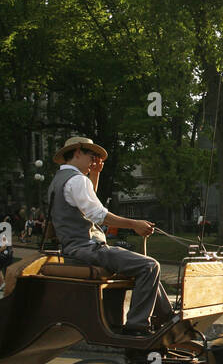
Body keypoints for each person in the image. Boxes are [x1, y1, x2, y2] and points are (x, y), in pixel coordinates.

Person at [48, 135, 171, 335]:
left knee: (143, 265)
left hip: (75, 247)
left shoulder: (60, 180)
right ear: (78, 153)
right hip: (87, 248)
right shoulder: (77, 180)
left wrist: (94, 175)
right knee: (149, 266)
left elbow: (86, 204)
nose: (95, 161)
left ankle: (166, 317)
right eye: (92, 156)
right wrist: (134, 224)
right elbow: (98, 215)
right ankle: (137, 326)